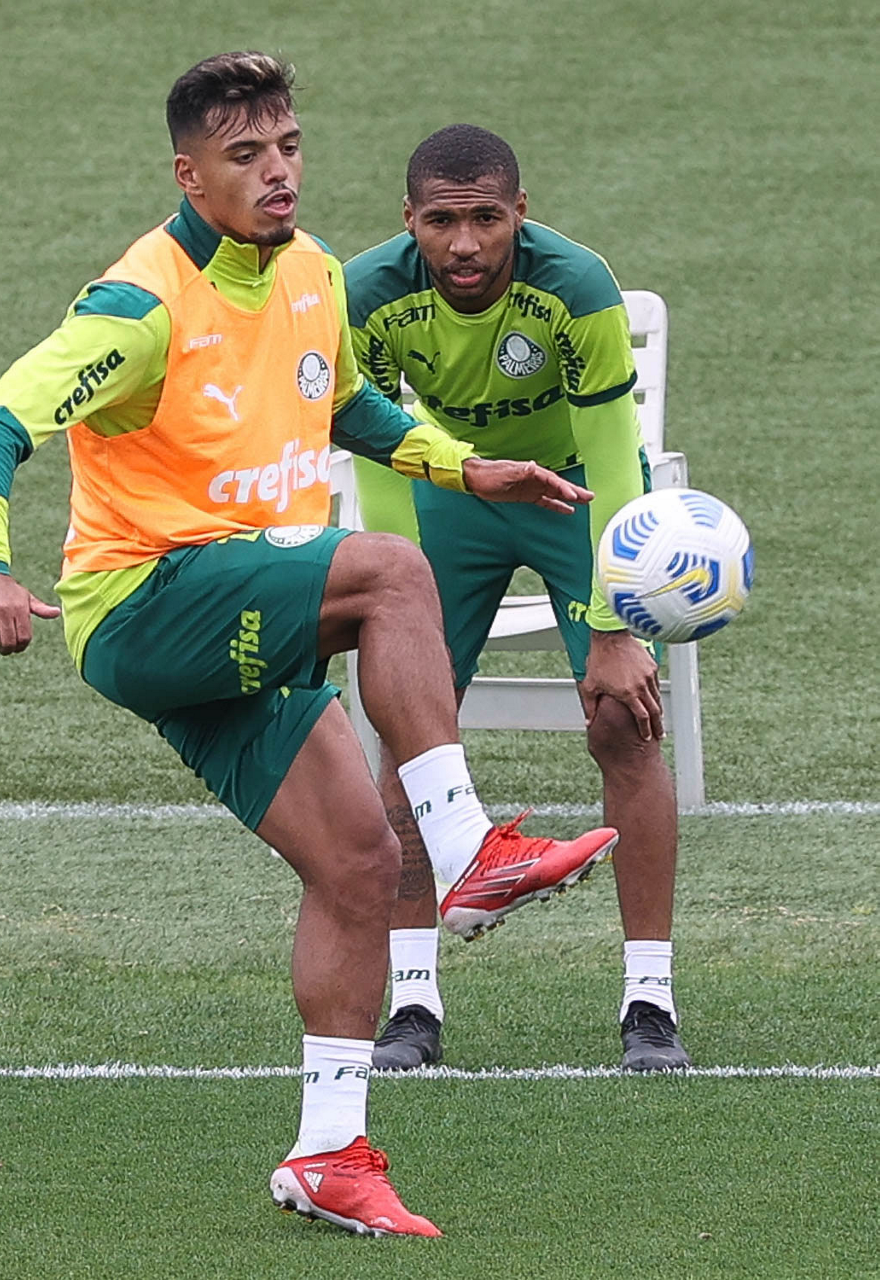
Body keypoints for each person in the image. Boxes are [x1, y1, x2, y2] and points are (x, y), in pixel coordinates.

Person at [0, 57, 619, 1238]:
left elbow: (348, 406)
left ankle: (327, 1153)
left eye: (288, 146)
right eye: (246, 155)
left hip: (247, 613)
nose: (277, 172)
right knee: (390, 569)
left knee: (357, 861)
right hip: (144, 601)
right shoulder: (140, 304)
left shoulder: (311, 274)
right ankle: (467, 847)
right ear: (189, 174)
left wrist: (462, 467)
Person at [344, 124, 691, 1075]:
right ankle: (412, 1002)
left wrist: (614, 626)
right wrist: (404, 627)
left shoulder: (576, 284)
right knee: (409, 730)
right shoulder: (365, 295)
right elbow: (378, 452)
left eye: (486, 220)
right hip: (451, 492)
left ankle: (649, 1000)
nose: (464, 245)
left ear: (520, 213)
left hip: (576, 494)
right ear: (408, 220)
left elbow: (614, 456)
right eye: (441, 222)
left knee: (624, 722)